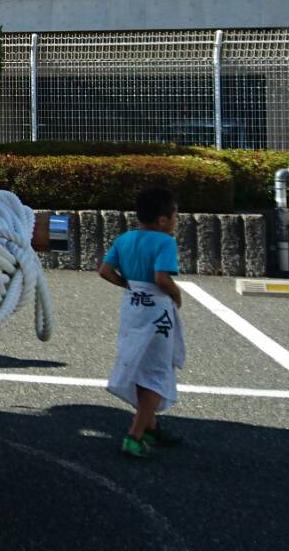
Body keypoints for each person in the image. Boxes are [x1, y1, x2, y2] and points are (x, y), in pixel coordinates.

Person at [98, 186, 187, 458]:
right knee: (157, 369)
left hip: (132, 307)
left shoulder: (125, 239)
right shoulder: (164, 242)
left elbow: (104, 271)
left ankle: (151, 425)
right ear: (162, 220)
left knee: (139, 361)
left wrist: (127, 284)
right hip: (156, 310)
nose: (176, 221)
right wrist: (176, 292)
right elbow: (161, 277)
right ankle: (134, 435)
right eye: (174, 216)